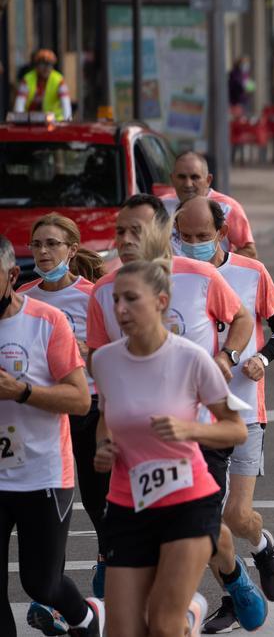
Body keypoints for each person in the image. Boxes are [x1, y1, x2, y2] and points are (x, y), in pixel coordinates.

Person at [85, 194, 267, 632]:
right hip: (135, 455)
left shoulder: (201, 275)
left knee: (200, 528)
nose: (127, 239)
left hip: (199, 430)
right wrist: (103, 443)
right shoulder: (105, 292)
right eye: (120, 231)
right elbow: (105, 378)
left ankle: (222, 587)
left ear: (162, 233)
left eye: (137, 230)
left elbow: (242, 319)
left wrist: (226, 359)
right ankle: (219, 578)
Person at [175, 198, 274, 632]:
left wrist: (262, 358)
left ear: (222, 234)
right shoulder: (170, 274)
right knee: (208, 515)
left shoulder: (251, 272)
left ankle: (262, 546)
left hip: (244, 409)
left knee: (235, 516)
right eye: (185, 237)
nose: (193, 246)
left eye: (202, 238)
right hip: (194, 415)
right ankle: (232, 594)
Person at [0, 235, 100, 636]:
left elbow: (79, 399)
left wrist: (21, 391)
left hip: (41, 474)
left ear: (10, 275)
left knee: (40, 583)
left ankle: (86, 619)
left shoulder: (45, 321)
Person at [16, 214, 108, 606]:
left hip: (91, 410)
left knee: (98, 502)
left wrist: (90, 353)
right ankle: (49, 594)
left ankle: (109, 571)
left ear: (72, 249)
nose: (43, 251)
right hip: (45, 413)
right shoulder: (25, 295)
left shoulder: (94, 296)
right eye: (37, 244)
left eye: (52, 244)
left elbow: (122, 354)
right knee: (48, 511)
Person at [164, 151, 257, 259]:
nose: (188, 184)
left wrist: (219, 268)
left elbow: (250, 251)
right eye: (182, 177)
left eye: (195, 177)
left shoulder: (228, 208)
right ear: (172, 179)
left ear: (208, 180)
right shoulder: (161, 206)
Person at [14, 49, 72, 120]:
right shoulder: (27, 80)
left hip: (54, 122)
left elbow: (65, 103)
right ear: (36, 65)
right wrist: (20, 120)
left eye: (49, 64)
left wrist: (67, 120)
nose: (46, 68)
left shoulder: (59, 80)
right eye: (42, 64)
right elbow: (20, 103)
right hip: (31, 121)